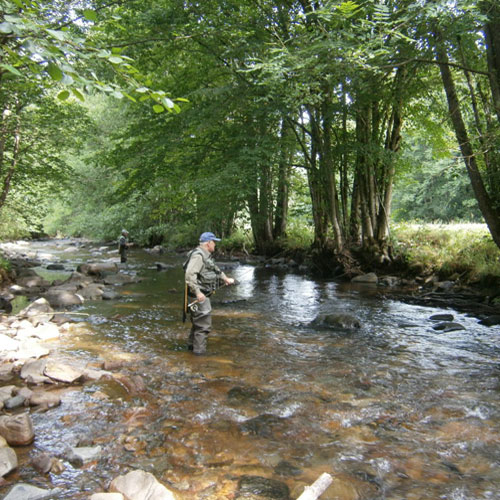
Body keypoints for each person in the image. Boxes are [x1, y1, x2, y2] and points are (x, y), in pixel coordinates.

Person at [184, 232, 234, 355]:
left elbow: (213, 268)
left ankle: (191, 350)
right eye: (214, 242)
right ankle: (199, 356)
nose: (215, 245)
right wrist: (198, 292)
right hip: (199, 297)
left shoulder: (205, 255)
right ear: (208, 243)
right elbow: (189, 275)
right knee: (203, 326)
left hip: (199, 296)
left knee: (198, 324)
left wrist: (225, 278)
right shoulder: (198, 256)